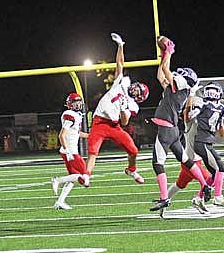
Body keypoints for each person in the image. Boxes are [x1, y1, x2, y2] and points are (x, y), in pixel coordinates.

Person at [149, 36, 211, 212]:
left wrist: (169, 52)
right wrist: (163, 54)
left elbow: (166, 70)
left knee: (157, 163)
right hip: (174, 129)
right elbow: (161, 74)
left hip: (166, 128)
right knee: (186, 160)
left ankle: (164, 198)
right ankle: (205, 185)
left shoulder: (180, 86)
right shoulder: (176, 89)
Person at [85, 33, 149, 183]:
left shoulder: (133, 105)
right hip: (99, 122)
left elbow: (125, 122)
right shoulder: (122, 82)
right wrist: (121, 45)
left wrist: (123, 107)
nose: (135, 89)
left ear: (139, 98)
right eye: (137, 87)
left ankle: (131, 170)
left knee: (133, 150)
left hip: (114, 126)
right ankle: (86, 176)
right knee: (93, 151)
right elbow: (120, 64)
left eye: (138, 92)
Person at [187, 81, 224, 207]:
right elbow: (192, 115)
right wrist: (192, 109)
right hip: (202, 142)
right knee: (221, 167)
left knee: (215, 173)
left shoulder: (220, 107)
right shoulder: (203, 104)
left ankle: (198, 197)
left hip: (207, 142)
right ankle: (217, 197)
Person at [51, 93, 91, 210]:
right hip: (70, 152)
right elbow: (61, 135)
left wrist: (90, 136)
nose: (78, 104)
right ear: (70, 104)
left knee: (73, 178)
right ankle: (57, 180)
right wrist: (67, 151)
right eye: (75, 102)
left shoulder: (75, 115)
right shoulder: (70, 115)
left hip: (70, 151)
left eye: (79, 101)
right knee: (85, 179)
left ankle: (60, 202)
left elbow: (76, 133)